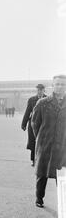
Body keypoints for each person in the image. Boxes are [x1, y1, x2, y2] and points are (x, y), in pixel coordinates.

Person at [31, 75, 66, 208]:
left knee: (62, 174)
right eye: (57, 84)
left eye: (63, 84)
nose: (60, 87)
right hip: (45, 144)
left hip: (63, 145)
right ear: (52, 85)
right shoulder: (43, 103)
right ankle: (39, 198)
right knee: (42, 173)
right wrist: (41, 138)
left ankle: (62, 201)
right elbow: (35, 123)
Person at [21, 84, 46, 166]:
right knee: (33, 142)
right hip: (33, 124)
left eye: (41, 90)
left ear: (44, 90)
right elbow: (27, 112)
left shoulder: (48, 99)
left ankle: (42, 160)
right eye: (38, 90)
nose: (40, 91)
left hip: (44, 125)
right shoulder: (32, 100)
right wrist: (23, 124)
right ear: (37, 91)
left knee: (43, 143)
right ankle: (33, 160)